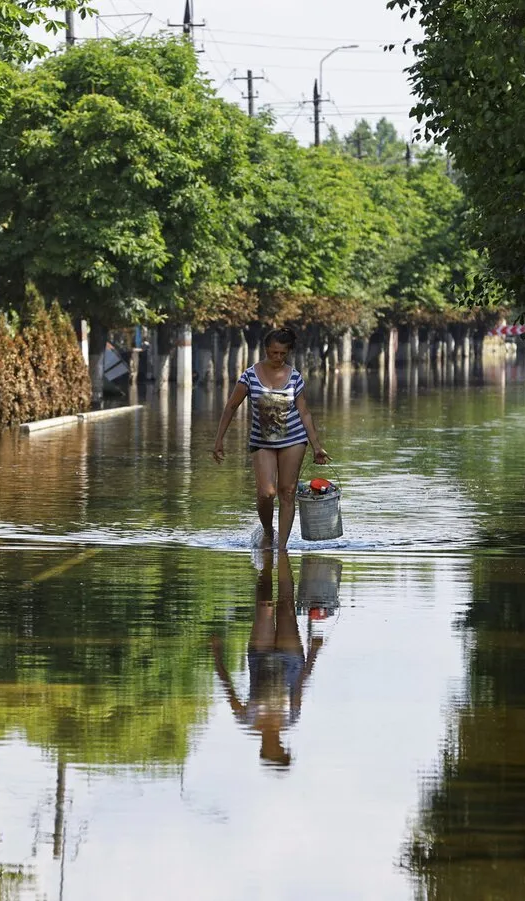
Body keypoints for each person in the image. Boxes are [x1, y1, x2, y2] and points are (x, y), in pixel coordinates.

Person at [212, 327, 330, 549]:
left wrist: (316, 446)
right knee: (266, 493)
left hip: (293, 439)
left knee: (288, 491)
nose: (278, 357)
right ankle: (268, 532)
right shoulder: (249, 376)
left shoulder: (294, 377)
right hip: (262, 441)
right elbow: (230, 407)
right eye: (274, 352)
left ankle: (282, 548)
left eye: (283, 353)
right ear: (266, 350)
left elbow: (304, 412)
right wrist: (219, 440)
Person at [210, 550, 323, 767]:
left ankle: (266, 563)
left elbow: (228, 687)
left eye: (277, 750)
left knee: (264, 605)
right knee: (286, 605)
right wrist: (313, 652)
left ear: (264, 750)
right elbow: (300, 684)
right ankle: (278, 555)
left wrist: (216, 653)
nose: (279, 745)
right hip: (291, 660)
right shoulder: (291, 719)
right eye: (281, 749)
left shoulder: (247, 720)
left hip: (259, 657)